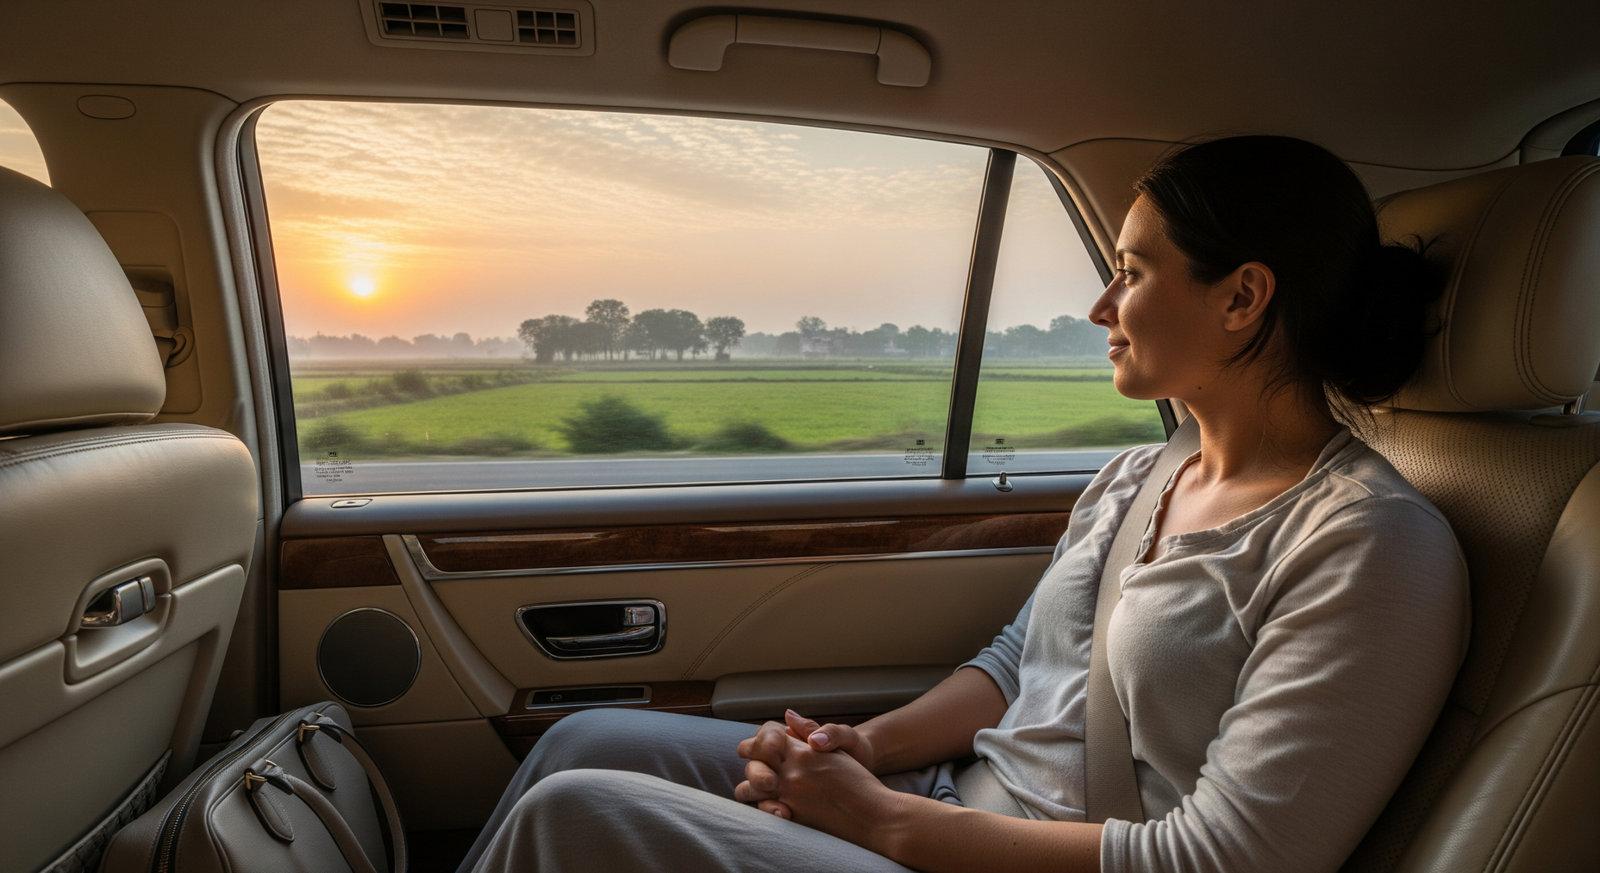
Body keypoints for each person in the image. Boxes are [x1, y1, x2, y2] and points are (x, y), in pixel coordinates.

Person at [456, 135, 1469, 873]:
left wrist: (874, 820)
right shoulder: (1138, 477)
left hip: (1025, 856)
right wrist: (861, 751)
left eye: (1131, 272)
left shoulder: (1367, 547)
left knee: (579, 815)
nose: (1100, 309)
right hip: (952, 803)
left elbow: (1224, 861)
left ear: (1243, 298)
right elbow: (1014, 667)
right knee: (581, 739)